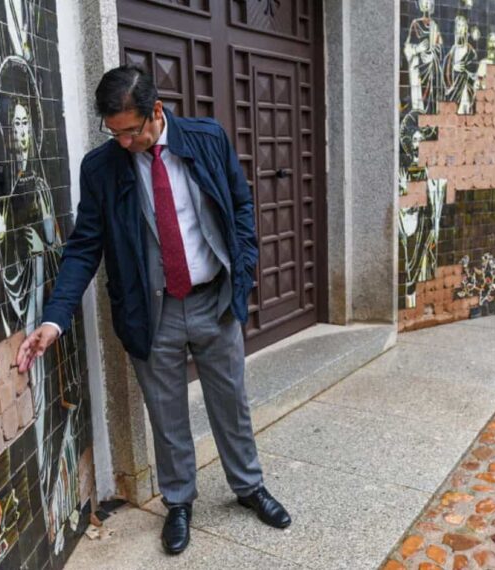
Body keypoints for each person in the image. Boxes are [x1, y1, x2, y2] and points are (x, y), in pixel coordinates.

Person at [15, 65, 291, 555]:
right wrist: (55, 319)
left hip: (213, 300)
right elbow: (84, 247)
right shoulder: (101, 168)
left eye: (131, 131)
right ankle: (179, 501)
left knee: (231, 402)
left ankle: (249, 486)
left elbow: (241, 207)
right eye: (114, 133)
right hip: (150, 312)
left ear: (156, 111)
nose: (124, 142)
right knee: (166, 414)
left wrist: (243, 272)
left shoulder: (206, 139)